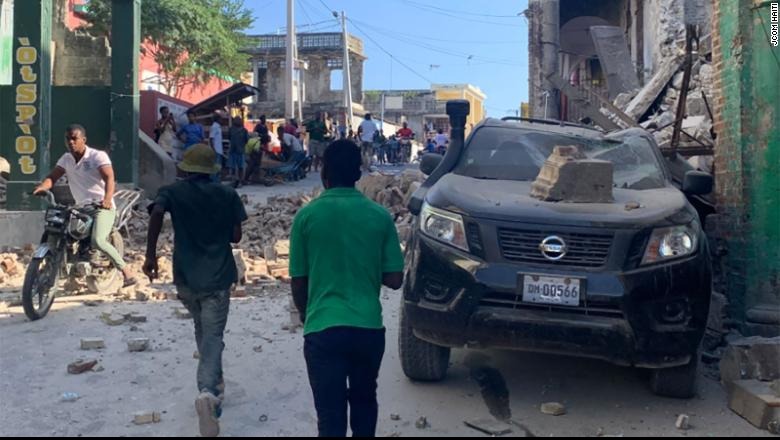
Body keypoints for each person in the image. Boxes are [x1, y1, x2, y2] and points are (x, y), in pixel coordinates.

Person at [290, 140, 404, 437]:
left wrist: (306, 316)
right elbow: (394, 279)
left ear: (325, 173)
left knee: (330, 415)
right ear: (358, 174)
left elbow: (298, 281)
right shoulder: (379, 216)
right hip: (367, 328)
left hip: (323, 328)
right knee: (365, 402)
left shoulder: (306, 217)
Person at [143, 144, 248, 438]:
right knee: (213, 335)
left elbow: (156, 213)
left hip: (186, 277)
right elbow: (236, 236)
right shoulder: (226, 194)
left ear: (186, 168)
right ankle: (208, 392)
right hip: (217, 276)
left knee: (202, 329)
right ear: (212, 169)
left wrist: (150, 255)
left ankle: (216, 378)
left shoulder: (172, 192)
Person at [33, 124, 137, 287]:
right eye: (68, 139)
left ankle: (126, 272)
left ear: (83, 140)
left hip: (101, 207)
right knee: (57, 231)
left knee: (97, 240)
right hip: (80, 206)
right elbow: (52, 177)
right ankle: (54, 267)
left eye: (74, 138)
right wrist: (42, 187)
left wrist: (107, 199)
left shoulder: (97, 156)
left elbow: (109, 178)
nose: (71, 142)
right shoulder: (66, 159)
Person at [209, 113, 224, 183]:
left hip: (219, 150)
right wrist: (213, 149)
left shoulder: (218, 127)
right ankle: (213, 181)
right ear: (218, 119)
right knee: (215, 167)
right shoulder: (214, 126)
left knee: (218, 167)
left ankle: (217, 181)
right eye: (221, 119)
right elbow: (211, 138)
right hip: (216, 150)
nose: (222, 120)